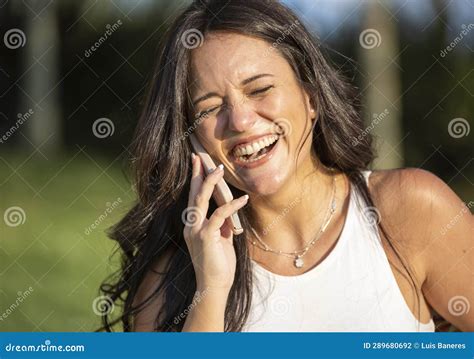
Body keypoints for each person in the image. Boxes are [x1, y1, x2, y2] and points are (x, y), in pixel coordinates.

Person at [99, 0, 473, 332]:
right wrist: (211, 288)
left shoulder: (409, 208)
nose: (241, 121)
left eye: (260, 89)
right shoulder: (169, 284)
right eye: (210, 108)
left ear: (311, 98)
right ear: (192, 138)